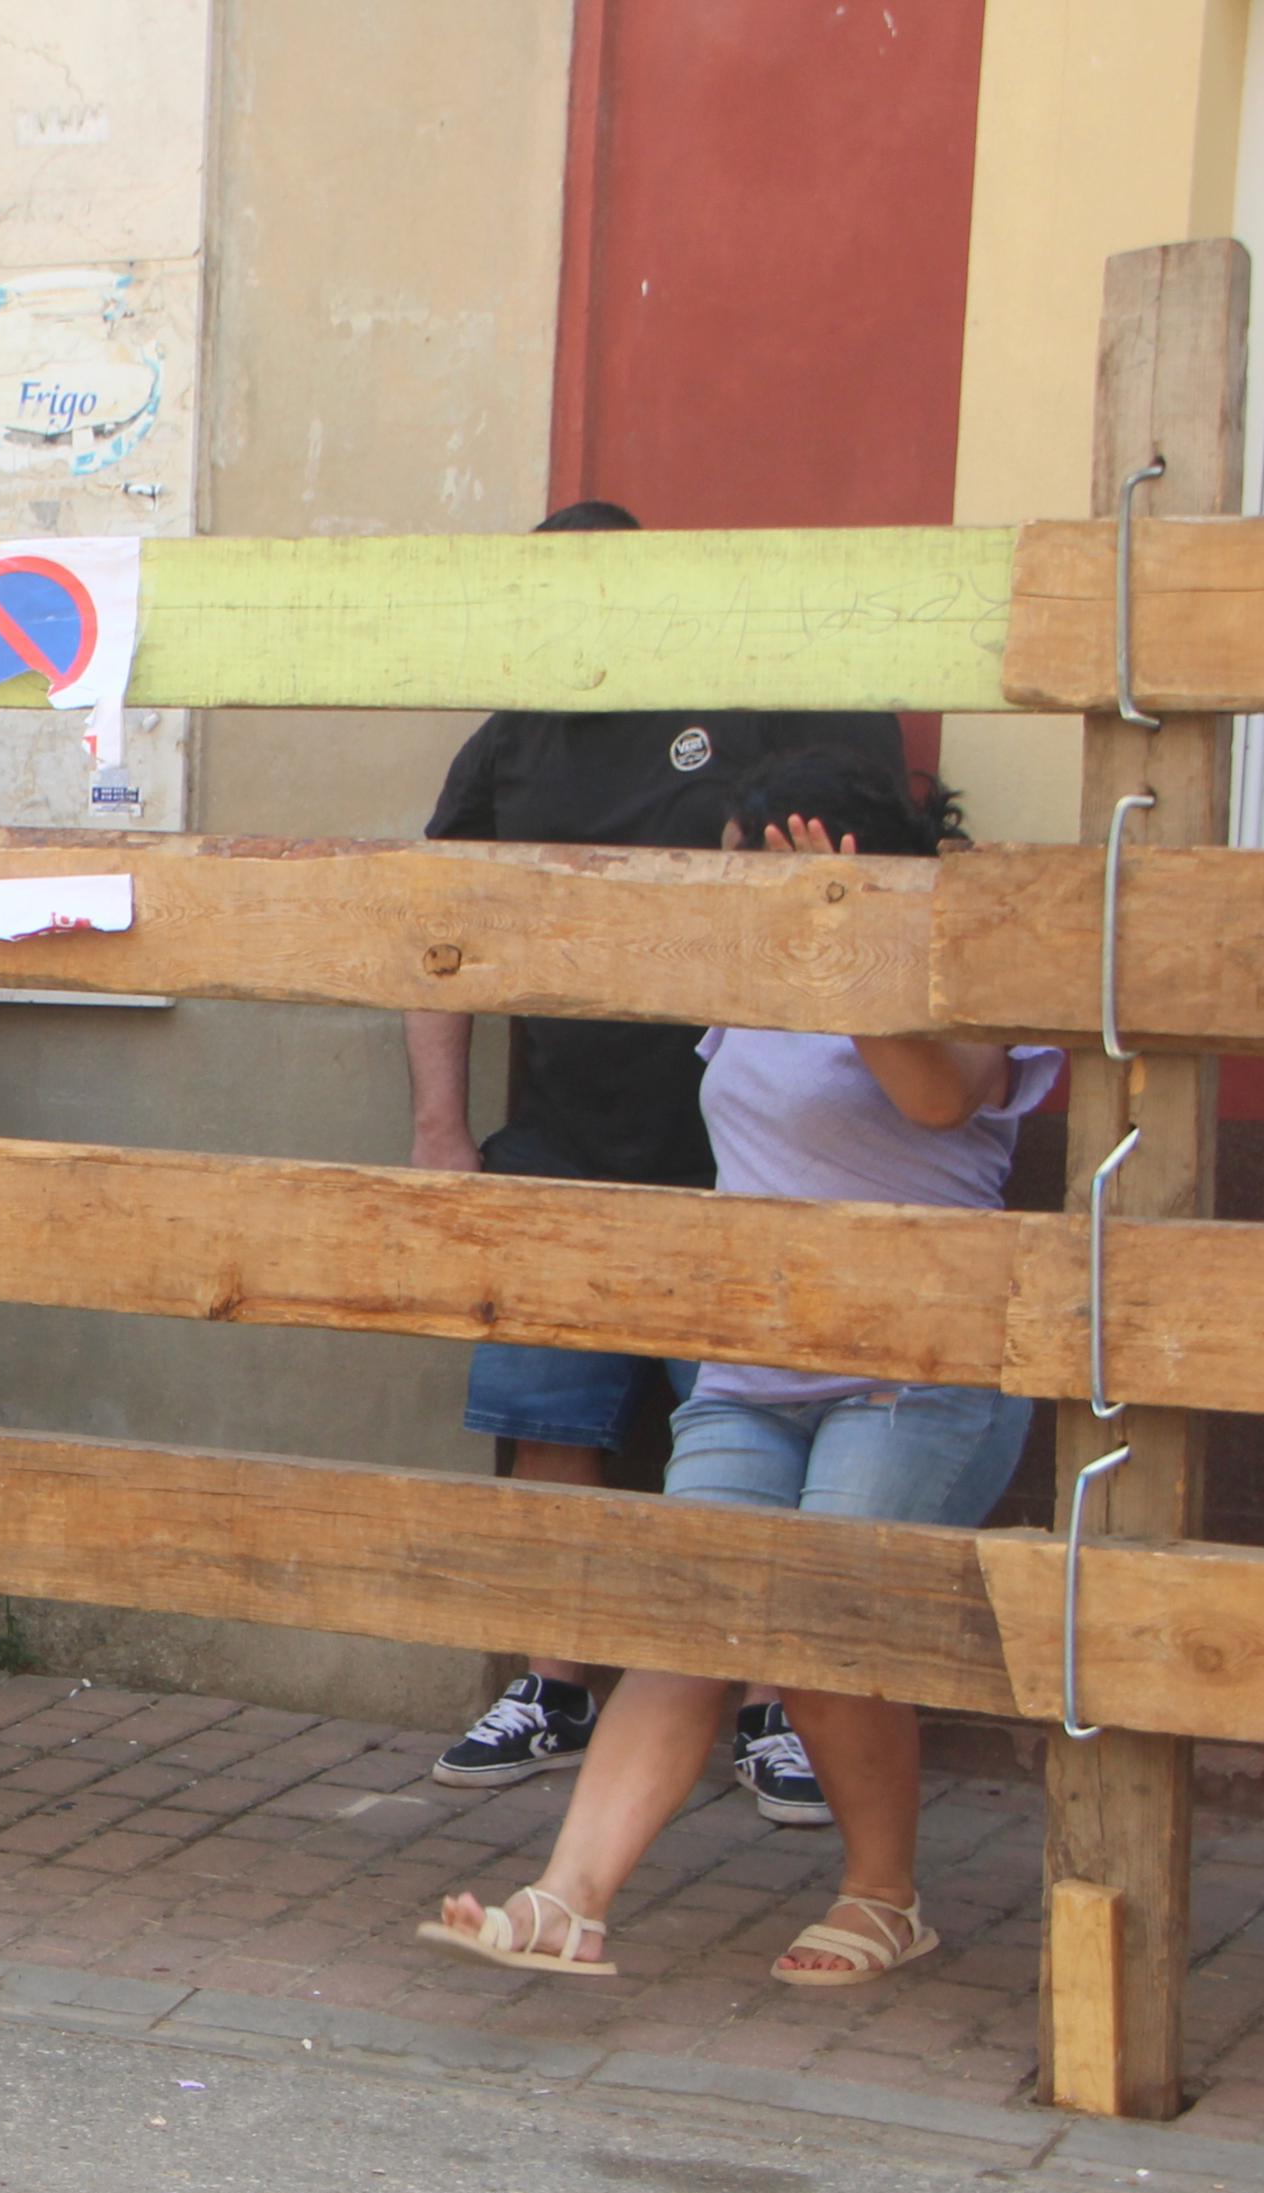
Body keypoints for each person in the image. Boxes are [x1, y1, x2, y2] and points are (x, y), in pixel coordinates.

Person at [422, 749, 1043, 1988]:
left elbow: (932, 1102)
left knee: (819, 1627)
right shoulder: (744, 984)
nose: (731, 887)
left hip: (914, 1369)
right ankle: (567, 1900)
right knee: (684, 1619)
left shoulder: (961, 976)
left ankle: (882, 1897)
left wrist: (848, 949)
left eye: (757, 867)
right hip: (752, 1363)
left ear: (846, 865)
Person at [406, 500, 907, 1824]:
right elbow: (429, 930)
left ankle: (774, 1708)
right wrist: (438, 1134)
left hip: (745, 1147)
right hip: (564, 1135)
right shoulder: (515, 729)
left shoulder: (761, 694)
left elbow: (872, 883)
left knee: (759, 1424)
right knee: (546, 1415)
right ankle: (551, 1681)